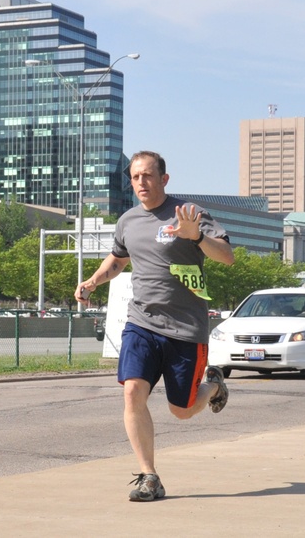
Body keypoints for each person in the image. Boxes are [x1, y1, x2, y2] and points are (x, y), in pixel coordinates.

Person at [75, 151, 235, 502]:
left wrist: (195, 237)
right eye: (135, 177)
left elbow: (226, 255)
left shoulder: (190, 214)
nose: (141, 183)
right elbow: (118, 259)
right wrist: (93, 281)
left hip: (186, 328)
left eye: (148, 176)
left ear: (164, 178)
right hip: (141, 322)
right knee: (132, 391)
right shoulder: (128, 221)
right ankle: (150, 476)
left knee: (182, 411)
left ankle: (213, 387)